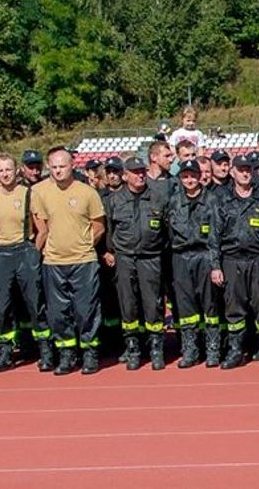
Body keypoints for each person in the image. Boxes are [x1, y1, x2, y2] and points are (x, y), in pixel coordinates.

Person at [0, 153, 53, 373]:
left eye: (8, 169)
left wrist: (33, 252)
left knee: (35, 303)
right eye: (0, 171)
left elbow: (42, 229)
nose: (5, 174)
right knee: (2, 306)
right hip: (0, 254)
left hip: (25, 251)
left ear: (16, 170)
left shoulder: (29, 194)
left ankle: (45, 351)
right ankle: (5, 352)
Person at [32, 148, 108, 375]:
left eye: (62, 166)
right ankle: (67, 354)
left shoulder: (87, 193)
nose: (57, 171)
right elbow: (42, 228)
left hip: (83, 261)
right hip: (53, 262)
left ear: (72, 165)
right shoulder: (41, 193)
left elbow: (99, 225)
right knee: (58, 312)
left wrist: (85, 245)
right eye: (53, 167)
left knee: (86, 310)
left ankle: (89, 352)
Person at [208, 154, 259, 369]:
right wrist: (215, 266)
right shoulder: (222, 201)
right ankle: (235, 350)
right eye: (240, 169)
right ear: (232, 172)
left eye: (248, 170)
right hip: (231, 262)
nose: (244, 173)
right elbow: (213, 237)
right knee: (234, 309)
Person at [101, 157, 167, 371]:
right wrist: (110, 251)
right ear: (125, 175)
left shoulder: (157, 198)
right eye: (135, 172)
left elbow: (167, 231)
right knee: (128, 305)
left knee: (153, 305)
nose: (140, 175)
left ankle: (156, 348)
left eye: (142, 171)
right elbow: (109, 229)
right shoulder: (114, 200)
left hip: (150, 258)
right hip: (125, 258)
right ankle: (133, 347)